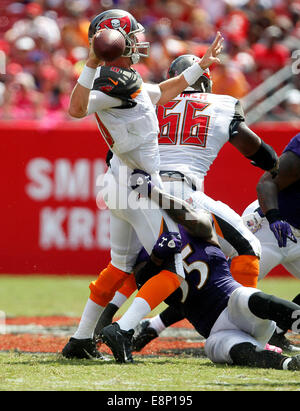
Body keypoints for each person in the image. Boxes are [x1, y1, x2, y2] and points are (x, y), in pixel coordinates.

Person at [62, 9, 224, 361]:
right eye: (131, 35)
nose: (138, 40)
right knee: (175, 267)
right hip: (138, 185)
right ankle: (122, 330)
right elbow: (76, 108)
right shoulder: (108, 78)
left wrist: (199, 67)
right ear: (115, 41)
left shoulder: (125, 79)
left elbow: (159, 94)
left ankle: (80, 339)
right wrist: (91, 61)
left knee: (120, 265)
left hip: (120, 181)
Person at [100, 168, 300, 369]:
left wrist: (153, 193)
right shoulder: (144, 252)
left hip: (232, 305)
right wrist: (156, 258)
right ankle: (288, 364)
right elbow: (147, 281)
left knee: (244, 297)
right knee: (223, 348)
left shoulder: (197, 226)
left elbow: (196, 221)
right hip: (216, 332)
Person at [242, 132, 300, 351]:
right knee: (227, 286)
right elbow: (267, 182)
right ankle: (153, 325)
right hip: (273, 229)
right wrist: (274, 217)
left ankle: (276, 333)